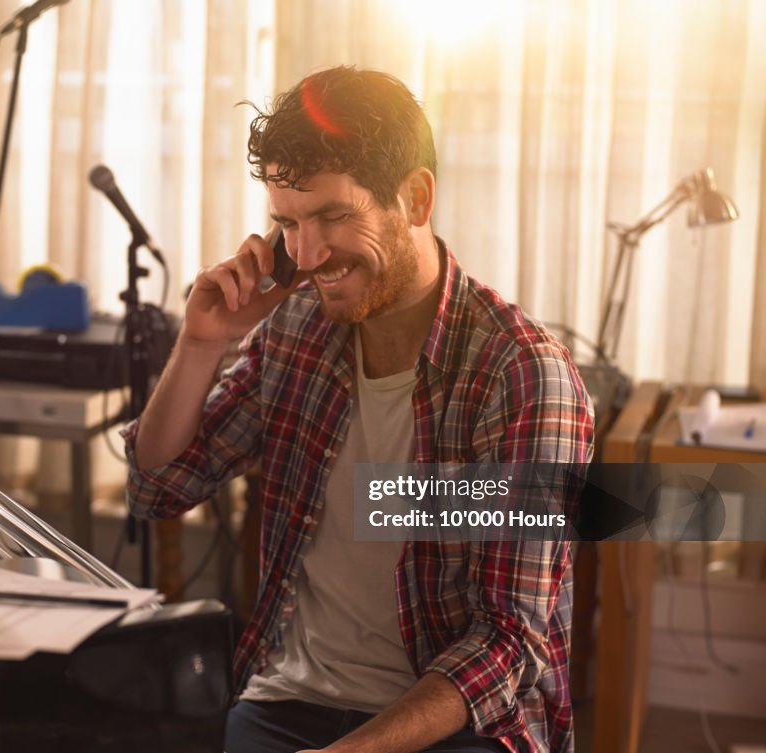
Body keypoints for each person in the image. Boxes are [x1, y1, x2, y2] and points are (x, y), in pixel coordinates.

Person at [121, 66, 593, 753]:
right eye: (288, 223)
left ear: (417, 198)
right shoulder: (295, 330)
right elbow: (158, 485)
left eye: (334, 217)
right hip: (288, 701)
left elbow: (504, 642)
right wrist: (201, 343)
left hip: (459, 723)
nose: (306, 256)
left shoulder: (520, 374)